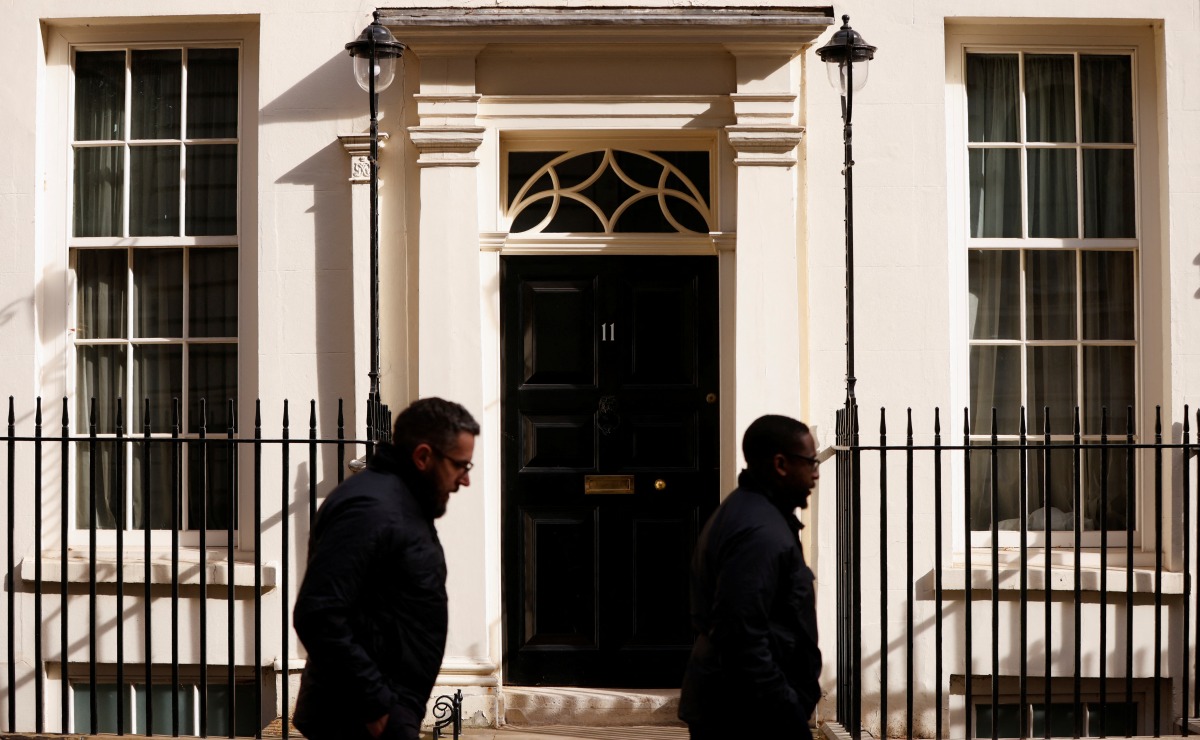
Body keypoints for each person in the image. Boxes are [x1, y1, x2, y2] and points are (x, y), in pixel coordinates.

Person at [293, 397, 480, 740]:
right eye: (460, 465)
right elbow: (319, 613)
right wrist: (377, 707)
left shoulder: (400, 502)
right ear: (423, 456)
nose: (464, 480)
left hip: (383, 710)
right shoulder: (372, 508)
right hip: (358, 719)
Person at [678, 414, 822, 739]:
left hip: (742, 708)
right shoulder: (759, 532)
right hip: (749, 715)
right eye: (810, 462)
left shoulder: (752, 514)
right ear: (781, 464)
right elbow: (741, 634)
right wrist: (786, 709)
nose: (815, 473)